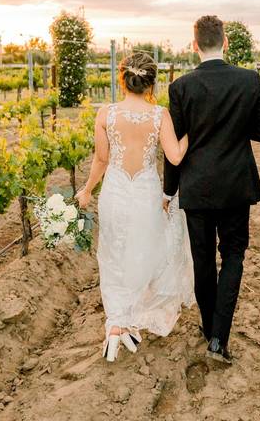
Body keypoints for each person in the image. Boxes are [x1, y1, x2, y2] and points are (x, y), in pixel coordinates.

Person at [163, 15, 260, 364]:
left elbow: (173, 148)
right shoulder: (248, 80)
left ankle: (207, 327)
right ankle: (219, 337)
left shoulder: (180, 87)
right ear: (225, 42)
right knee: (233, 255)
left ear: (194, 44)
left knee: (202, 261)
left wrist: (170, 191)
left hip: (196, 187)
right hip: (234, 185)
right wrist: (236, 128)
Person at [75, 52, 194, 362]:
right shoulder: (160, 116)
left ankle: (116, 326)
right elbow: (176, 157)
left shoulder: (106, 114)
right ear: (151, 83)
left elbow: (101, 160)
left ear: (123, 78)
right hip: (145, 192)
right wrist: (195, 131)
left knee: (114, 256)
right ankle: (125, 321)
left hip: (114, 192)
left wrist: (87, 191)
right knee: (142, 254)